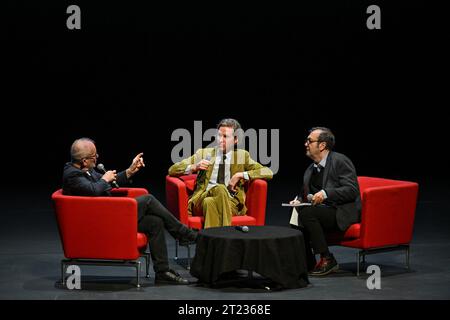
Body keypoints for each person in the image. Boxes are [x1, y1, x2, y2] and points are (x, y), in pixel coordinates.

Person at [62, 137, 197, 285]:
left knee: (154, 222)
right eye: (94, 156)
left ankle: (162, 271)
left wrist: (130, 171)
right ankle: (184, 234)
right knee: (148, 199)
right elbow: (93, 190)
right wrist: (104, 180)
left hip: (107, 215)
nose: (97, 158)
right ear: (84, 160)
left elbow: (110, 183)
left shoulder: (86, 170)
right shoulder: (72, 175)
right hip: (98, 223)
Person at [168, 118, 273, 228]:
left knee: (210, 203)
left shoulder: (242, 156)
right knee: (220, 188)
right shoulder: (204, 153)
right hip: (200, 199)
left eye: (225, 136)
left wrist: (240, 175)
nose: (220, 140)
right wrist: (194, 167)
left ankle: (212, 243)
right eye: (219, 135)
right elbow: (172, 170)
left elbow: (268, 171)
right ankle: (226, 238)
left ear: (236, 140)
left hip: (231, 202)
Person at [289, 127, 361, 276]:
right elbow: (304, 193)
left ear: (322, 145)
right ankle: (307, 262)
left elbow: (352, 190)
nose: (305, 144)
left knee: (307, 213)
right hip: (321, 211)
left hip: (339, 212)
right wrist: (298, 200)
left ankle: (327, 258)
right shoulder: (310, 169)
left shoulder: (340, 161)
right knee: (296, 213)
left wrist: (327, 193)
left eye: (310, 141)